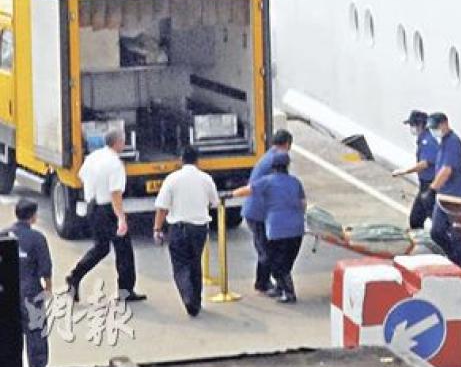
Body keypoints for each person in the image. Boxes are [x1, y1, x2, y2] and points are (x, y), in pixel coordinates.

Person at [66, 130, 146, 302]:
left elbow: (81, 176)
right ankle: (125, 290)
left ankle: (75, 276)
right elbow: (115, 193)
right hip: (107, 209)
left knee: (100, 248)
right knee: (124, 250)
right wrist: (121, 218)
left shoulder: (93, 157)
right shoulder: (115, 164)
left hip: (92, 206)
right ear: (118, 143)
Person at [153, 147, 219, 316]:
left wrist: (157, 228)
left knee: (181, 266)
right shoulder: (206, 179)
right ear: (198, 160)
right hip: (199, 228)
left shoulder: (172, 179)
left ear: (181, 159)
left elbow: (162, 207)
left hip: (178, 228)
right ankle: (196, 301)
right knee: (195, 263)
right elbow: (215, 202)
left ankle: (188, 297)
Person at [232, 153, 306, 304]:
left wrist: (229, 195)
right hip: (297, 230)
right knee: (286, 262)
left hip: (277, 230)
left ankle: (289, 293)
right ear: (287, 166)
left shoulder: (267, 181)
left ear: (273, 167)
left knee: (275, 262)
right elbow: (303, 203)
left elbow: (247, 190)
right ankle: (280, 288)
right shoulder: (295, 182)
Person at [2, 199, 51, 367]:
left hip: (7, 291)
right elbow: (45, 268)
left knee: (8, 331)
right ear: (33, 217)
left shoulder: (3, 236)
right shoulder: (37, 238)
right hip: (31, 291)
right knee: (36, 330)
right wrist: (48, 289)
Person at [244, 129, 293, 294]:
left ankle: (263, 281)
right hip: (258, 212)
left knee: (266, 248)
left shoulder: (269, 156)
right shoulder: (276, 160)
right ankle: (264, 283)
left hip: (259, 210)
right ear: (286, 144)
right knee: (267, 250)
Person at [424, 113, 461, 270]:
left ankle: (460, 266)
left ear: (445, 124)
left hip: (457, 196)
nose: (433, 131)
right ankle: (453, 258)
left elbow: (446, 170)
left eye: (435, 127)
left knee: (458, 235)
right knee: (436, 231)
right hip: (444, 196)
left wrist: (431, 189)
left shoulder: (453, 143)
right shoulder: (443, 142)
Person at [392, 110, 439, 229]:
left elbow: (425, 163)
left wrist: (405, 171)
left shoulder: (428, 141)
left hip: (431, 185)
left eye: (413, 125)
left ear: (421, 125)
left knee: (436, 219)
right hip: (424, 185)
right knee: (416, 219)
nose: (412, 128)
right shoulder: (423, 139)